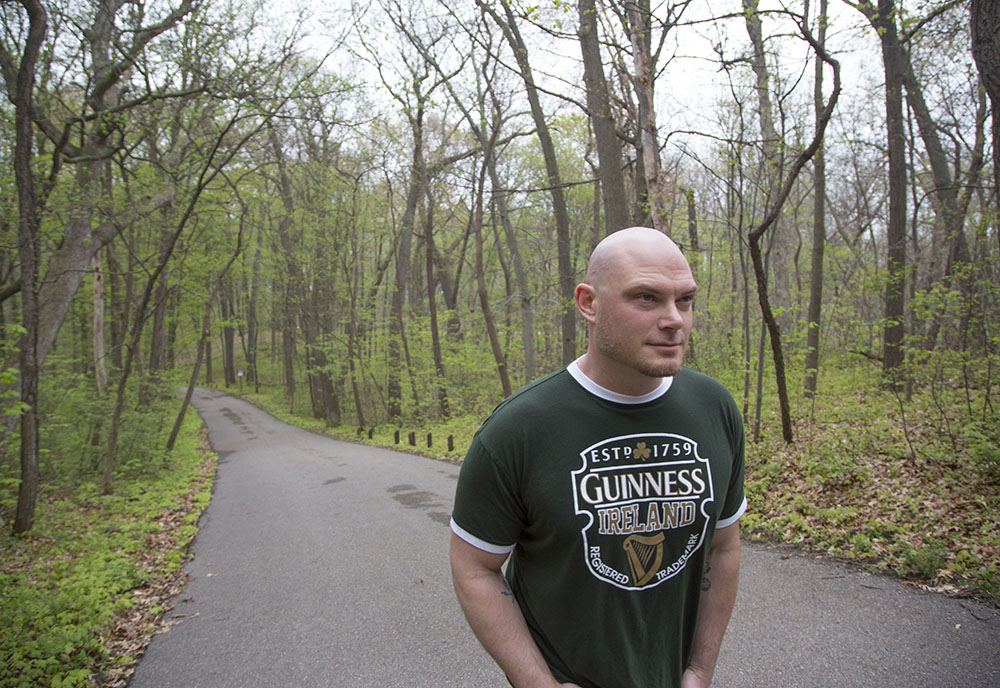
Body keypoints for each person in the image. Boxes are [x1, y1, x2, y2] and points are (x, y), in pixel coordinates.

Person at [449, 226, 746, 688]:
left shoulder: (714, 409)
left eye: (684, 300)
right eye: (646, 298)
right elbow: (474, 568)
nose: (674, 319)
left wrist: (700, 670)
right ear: (589, 303)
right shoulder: (518, 430)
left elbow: (724, 547)